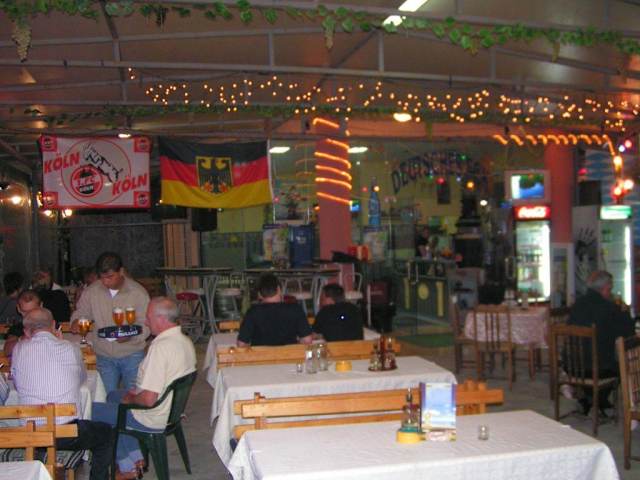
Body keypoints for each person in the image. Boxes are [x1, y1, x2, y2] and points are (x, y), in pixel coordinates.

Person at [92, 297, 196, 480]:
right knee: (113, 396)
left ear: (161, 319)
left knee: (90, 410)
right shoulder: (184, 341)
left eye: (148, 317)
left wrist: (131, 398)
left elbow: (148, 400)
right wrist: (136, 392)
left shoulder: (161, 348)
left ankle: (126, 467)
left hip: (152, 416)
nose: (146, 322)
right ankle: (136, 458)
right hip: (171, 410)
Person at [11, 307, 113, 480]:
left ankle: (40, 464)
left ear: (27, 331)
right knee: (106, 433)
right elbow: (81, 378)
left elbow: (16, 382)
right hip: (65, 433)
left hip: (31, 433)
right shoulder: (69, 348)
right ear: (53, 325)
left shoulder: (19, 349)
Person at [71, 252, 150, 394]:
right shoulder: (92, 291)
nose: (105, 282)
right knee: (105, 396)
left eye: (110, 277)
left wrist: (131, 336)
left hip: (132, 354)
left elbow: (146, 324)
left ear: (121, 272)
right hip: (104, 355)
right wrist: (76, 320)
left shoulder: (138, 293)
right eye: (102, 278)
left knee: (134, 397)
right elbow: (82, 311)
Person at [567, 270, 635, 415]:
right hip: (598, 369)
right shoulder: (609, 307)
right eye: (610, 288)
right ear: (606, 288)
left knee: (598, 355)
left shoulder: (577, 305)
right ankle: (599, 399)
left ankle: (590, 399)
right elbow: (628, 332)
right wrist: (624, 311)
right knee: (623, 365)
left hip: (573, 366)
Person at [237, 273, 312, 347]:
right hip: (289, 354)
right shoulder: (295, 309)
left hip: (262, 355)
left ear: (259, 294)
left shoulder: (252, 312)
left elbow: (241, 344)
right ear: (279, 289)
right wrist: (295, 343)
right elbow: (307, 340)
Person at [3, 289, 41, 357]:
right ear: (18, 309)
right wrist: (22, 338)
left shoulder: (51, 325)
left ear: (41, 306)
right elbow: (7, 351)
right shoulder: (17, 328)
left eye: (33, 311)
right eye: (25, 312)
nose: (29, 315)